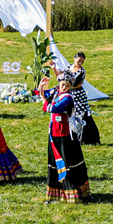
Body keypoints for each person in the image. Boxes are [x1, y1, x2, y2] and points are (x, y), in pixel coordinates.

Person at [43, 72, 92, 203]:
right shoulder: (55, 93)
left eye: (66, 85)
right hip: (54, 134)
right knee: (54, 164)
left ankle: (78, 193)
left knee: (70, 163)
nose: (63, 86)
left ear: (70, 86)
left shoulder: (68, 97)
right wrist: (41, 87)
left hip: (66, 135)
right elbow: (38, 93)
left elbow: (53, 108)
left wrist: (44, 100)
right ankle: (55, 194)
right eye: (62, 84)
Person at [52, 52, 101, 145]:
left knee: (82, 115)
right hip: (69, 93)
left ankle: (87, 139)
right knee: (70, 115)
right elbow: (61, 78)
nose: (80, 63)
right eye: (79, 60)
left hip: (78, 95)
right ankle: (72, 136)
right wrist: (54, 68)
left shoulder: (81, 71)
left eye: (82, 61)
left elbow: (73, 83)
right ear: (74, 59)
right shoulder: (68, 67)